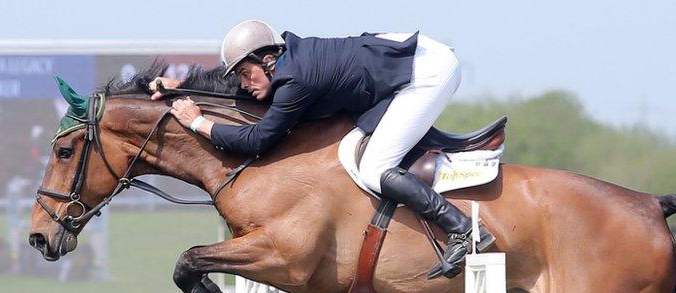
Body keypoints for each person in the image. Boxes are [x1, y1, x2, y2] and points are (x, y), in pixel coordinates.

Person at [150, 20, 495, 279]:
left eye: (245, 73)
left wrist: (199, 123)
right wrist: (184, 86)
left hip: (427, 74)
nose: (242, 83)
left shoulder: (296, 80)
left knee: (375, 167)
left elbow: (257, 140)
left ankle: (463, 228)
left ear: (267, 60)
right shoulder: (282, 64)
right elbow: (237, 86)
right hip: (405, 64)